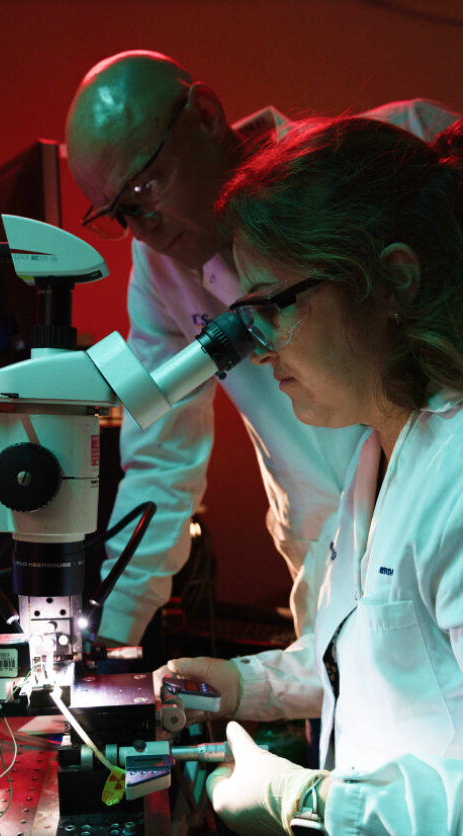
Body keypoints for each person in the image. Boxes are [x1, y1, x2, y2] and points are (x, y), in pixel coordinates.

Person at [65, 49, 460, 647]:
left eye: (145, 186)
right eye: (119, 214)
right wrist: (103, 638)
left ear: (204, 112)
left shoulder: (382, 155)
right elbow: (161, 462)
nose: (142, 228)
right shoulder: (160, 269)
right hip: (333, 556)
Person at [157, 115, 463, 834]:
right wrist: (239, 687)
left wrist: (310, 805)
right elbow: (372, 654)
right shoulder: (376, 456)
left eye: (275, 309)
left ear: (393, 279)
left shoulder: (455, 474)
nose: (258, 352)